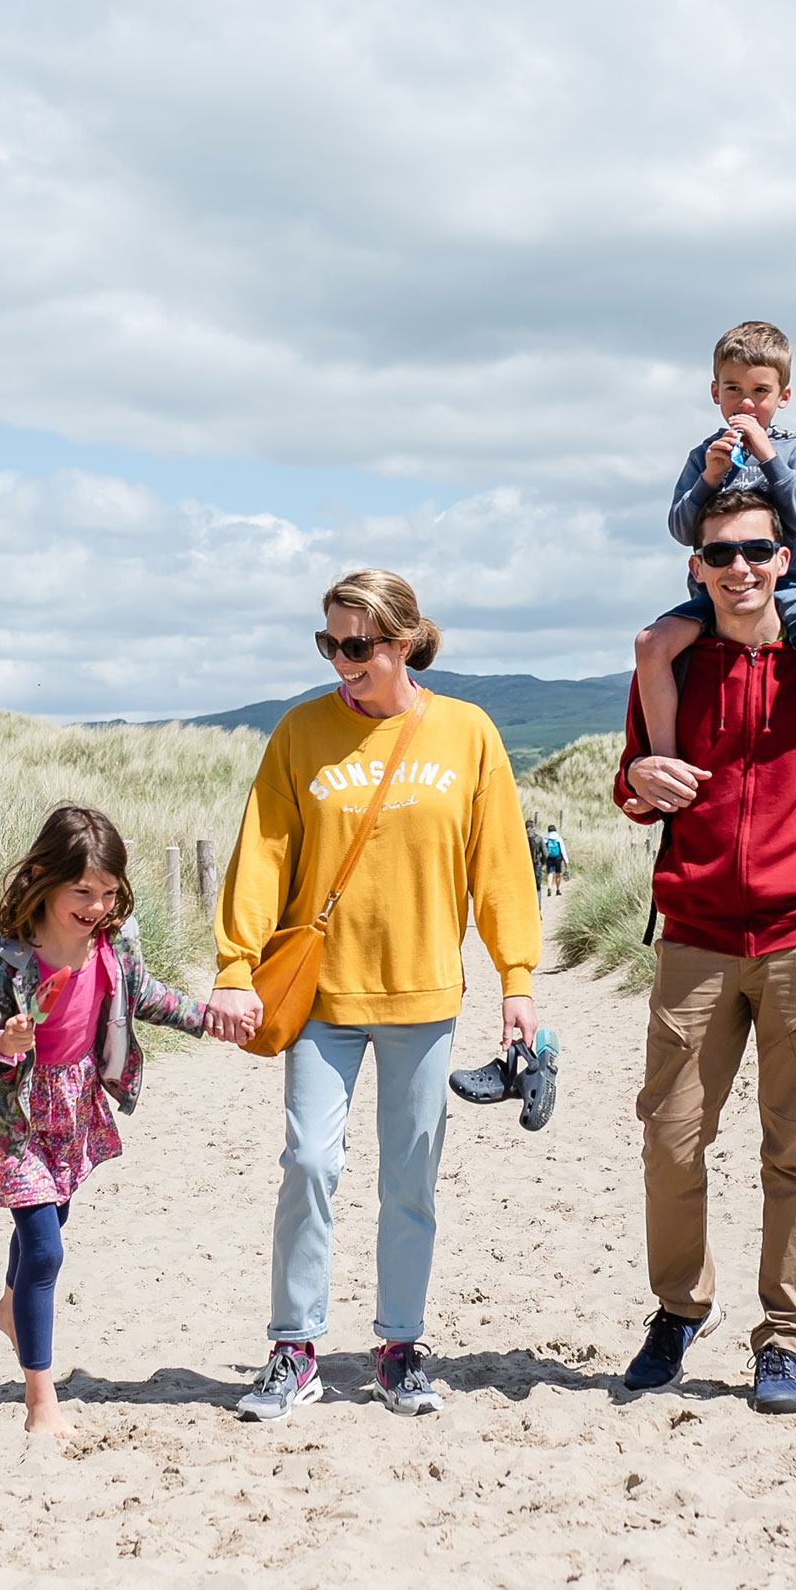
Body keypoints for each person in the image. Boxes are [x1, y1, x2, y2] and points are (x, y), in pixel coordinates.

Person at [214, 569, 542, 1423]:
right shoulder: (300, 732)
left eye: (356, 645)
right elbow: (261, 856)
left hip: (424, 999)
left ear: (403, 643)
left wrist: (517, 979)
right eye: (329, 643)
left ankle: (400, 1349)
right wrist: (233, 965)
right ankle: (294, 1348)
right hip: (320, 999)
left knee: (410, 1184)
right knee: (310, 1166)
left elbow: (500, 865)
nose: (340, 661)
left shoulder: (467, 733)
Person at [615, 490, 796, 1413]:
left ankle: (786, 1338)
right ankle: (678, 1309)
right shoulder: (671, 665)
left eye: (757, 550)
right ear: (695, 567)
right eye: (721, 553)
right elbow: (637, 791)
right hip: (694, 941)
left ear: (786, 558)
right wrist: (635, 780)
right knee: (669, 1140)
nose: (740, 567)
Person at [0, 805, 257, 1437]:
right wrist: (0, 1047)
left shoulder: (114, 942)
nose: (97, 906)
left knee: (45, 1231)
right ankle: (41, 1402)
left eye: (109, 893)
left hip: (75, 1108)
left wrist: (210, 1018)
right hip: (14, 1120)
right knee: (43, 1248)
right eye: (83, 892)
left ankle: (13, 1309)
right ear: (42, 876)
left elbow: (144, 996)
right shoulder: (9, 959)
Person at [633, 320, 796, 827]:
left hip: (791, 586)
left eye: (760, 392)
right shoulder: (702, 454)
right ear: (714, 392)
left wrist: (769, 457)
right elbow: (682, 529)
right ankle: (666, 768)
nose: (746, 404)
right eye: (733, 390)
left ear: (784, 395)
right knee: (650, 644)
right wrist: (708, 476)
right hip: (718, 590)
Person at [541, 824, 570, 897]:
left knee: (550, 873)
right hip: (558, 858)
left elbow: (543, 849)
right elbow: (563, 850)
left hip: (549, 857)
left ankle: (549, 887)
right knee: (558, 873)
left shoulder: (546, 838)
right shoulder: (558, 838)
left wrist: (542, 859)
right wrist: (566, 861)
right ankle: (557, 889)